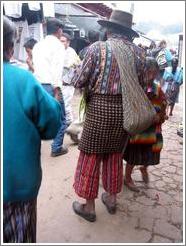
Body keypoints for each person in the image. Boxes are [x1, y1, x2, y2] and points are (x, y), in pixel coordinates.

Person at [71, 10, 148, 222]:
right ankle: (112, 199)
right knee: (114, 155)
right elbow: (143, 87)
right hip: (125, 113)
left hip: (98, 111)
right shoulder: (139, 54)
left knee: (91, 156)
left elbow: (78, 81)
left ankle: (89, 207)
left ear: (109, 29)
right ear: (128, 32)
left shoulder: (97, 49)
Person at [3, 16, 62, 243]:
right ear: (10, 47)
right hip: (17, 189)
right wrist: (55, 99)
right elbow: (51, 126)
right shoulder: (23, 80)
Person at [123, 57, 168, 192]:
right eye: (149, 72)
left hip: (152, 129)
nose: (152, 76)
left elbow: (163, 103)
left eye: (154, 73)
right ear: (142, 71)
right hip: (138, 129)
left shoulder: (157, 88)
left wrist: (161, 115)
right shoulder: (135, 87)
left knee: (152, 151)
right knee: (134, 154)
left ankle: (144, 167)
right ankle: (127, 178)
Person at [32, 17, 68, 157]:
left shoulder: (38, 45)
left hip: (37, 85)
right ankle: (56, 147)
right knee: (61, 118)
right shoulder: (58, 45)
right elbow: (56, 70)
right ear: (59, 30)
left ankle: (33, 148)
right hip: (50, 86)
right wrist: (57, 89)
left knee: (37, 118)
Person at [60, 33, 81, 126]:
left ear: (68, 42)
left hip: (67, 84)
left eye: (63, 41)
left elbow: (74, 68)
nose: (61, 43)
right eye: (60, 41)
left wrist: (65, 81)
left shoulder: (71, 52)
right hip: (58, 83)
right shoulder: (58, 51)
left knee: (66, 105)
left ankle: (70, 126)